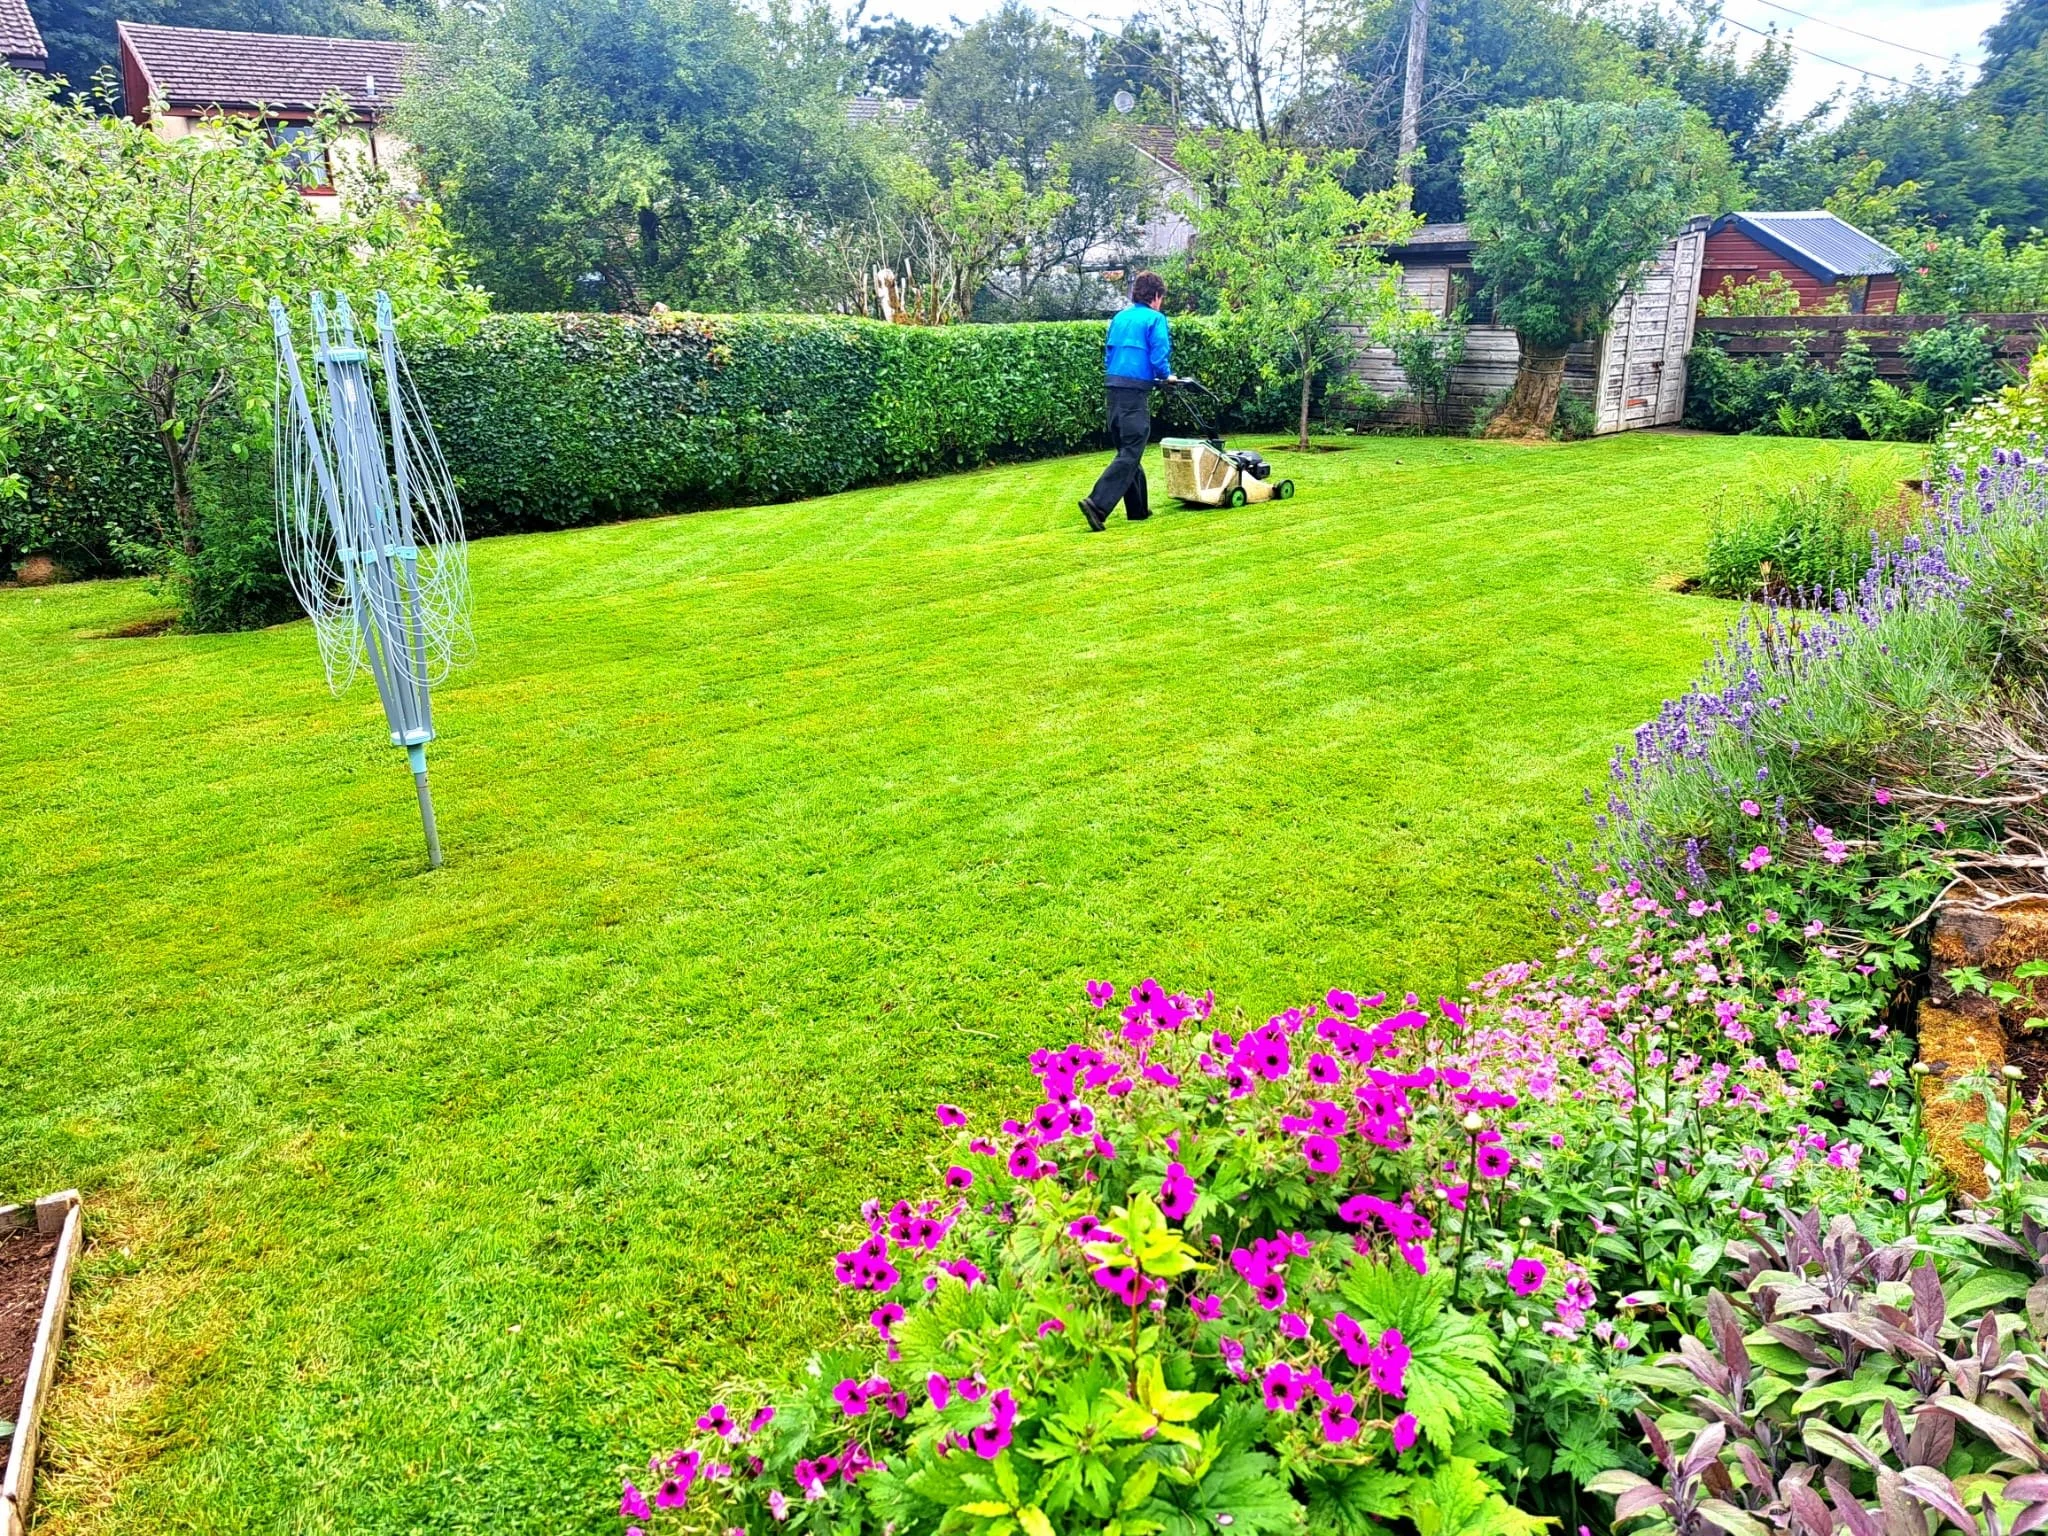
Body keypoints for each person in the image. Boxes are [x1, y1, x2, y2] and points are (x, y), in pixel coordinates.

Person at [1080, 271, 1177, 533]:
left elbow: (1109, 354)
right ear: (1156, 296)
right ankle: (1097, 504)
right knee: (1133, 448)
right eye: (1161, 298)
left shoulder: (1119, 317)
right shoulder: (1155, 319)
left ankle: (1138, 510)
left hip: (1113, 387)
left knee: (1128, 448)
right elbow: (1158, 354)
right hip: (1134, 392)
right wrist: (1166, 376)